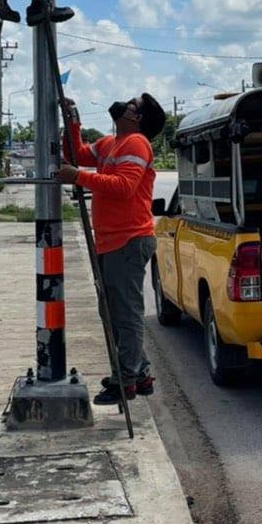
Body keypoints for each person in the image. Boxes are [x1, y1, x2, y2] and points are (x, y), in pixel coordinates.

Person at [56, 92, 167, 405]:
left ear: (137, 118)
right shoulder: (110, 143)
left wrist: (79, 177)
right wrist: (73, 119)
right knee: (113, 312)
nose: (126, 103)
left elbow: (124, 187)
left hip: (128, 240)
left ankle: (125, 380)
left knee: (126, 315)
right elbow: (76, 154)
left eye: (134, 104)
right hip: (112, 239)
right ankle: (140, 373)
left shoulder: (136, 143)